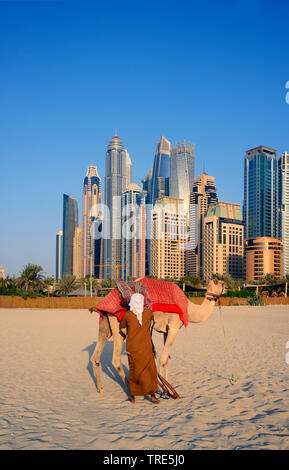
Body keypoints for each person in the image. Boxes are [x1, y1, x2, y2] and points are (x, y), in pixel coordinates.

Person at [120, 293, 160, 404]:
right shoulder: (148, 313)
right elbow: (152, 321)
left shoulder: (127, 315)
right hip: (146, 347)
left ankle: (133, 397)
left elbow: (122, 327)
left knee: (134, 371)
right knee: (150, 370)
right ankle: (152, 396)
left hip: (133, 348)